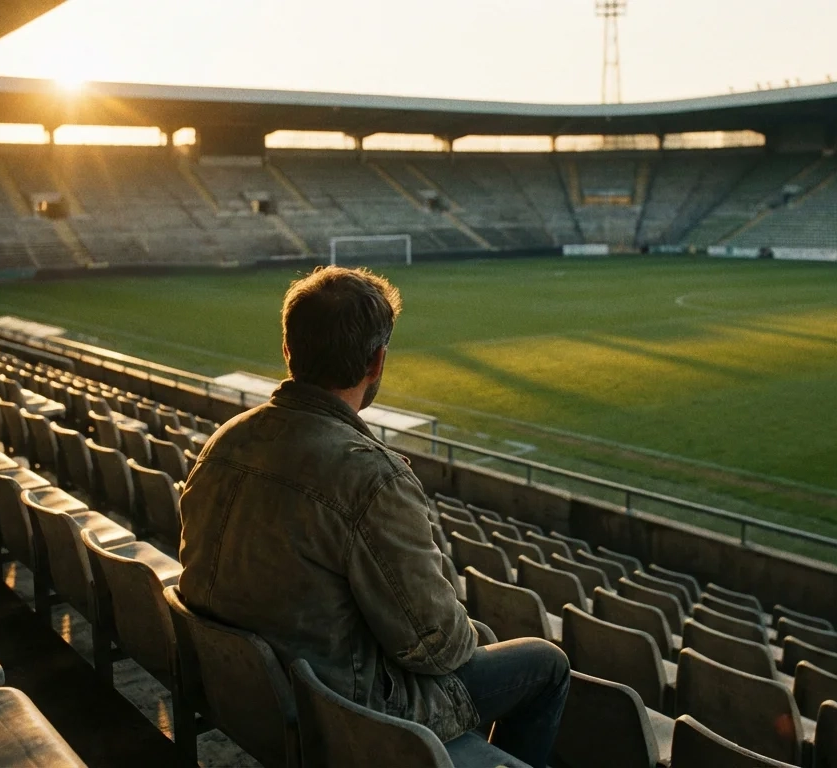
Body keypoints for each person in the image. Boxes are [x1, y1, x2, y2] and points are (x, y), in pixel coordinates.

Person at [179, 265, 569, 766]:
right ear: (377, 361)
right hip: (347, 709)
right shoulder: (371, 477)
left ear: (288, 349)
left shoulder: (224, 439)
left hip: (244, 686)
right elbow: (438, 646)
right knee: (546, 663)